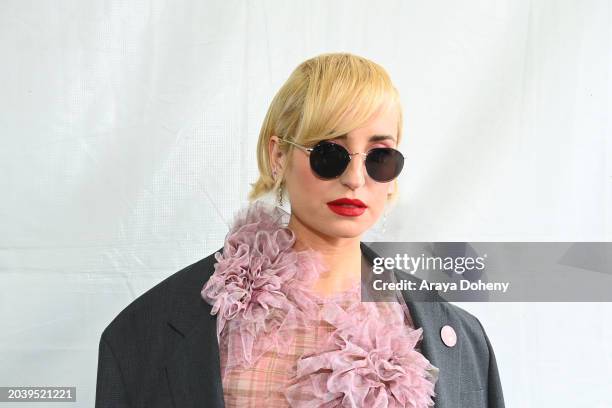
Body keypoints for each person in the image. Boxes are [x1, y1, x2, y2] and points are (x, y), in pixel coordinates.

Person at [95, 52, 505, 407]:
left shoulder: (462, 344)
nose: (355, 179)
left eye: (380, 157)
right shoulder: (144, 335)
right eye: (330, 154)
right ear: (279, 155)